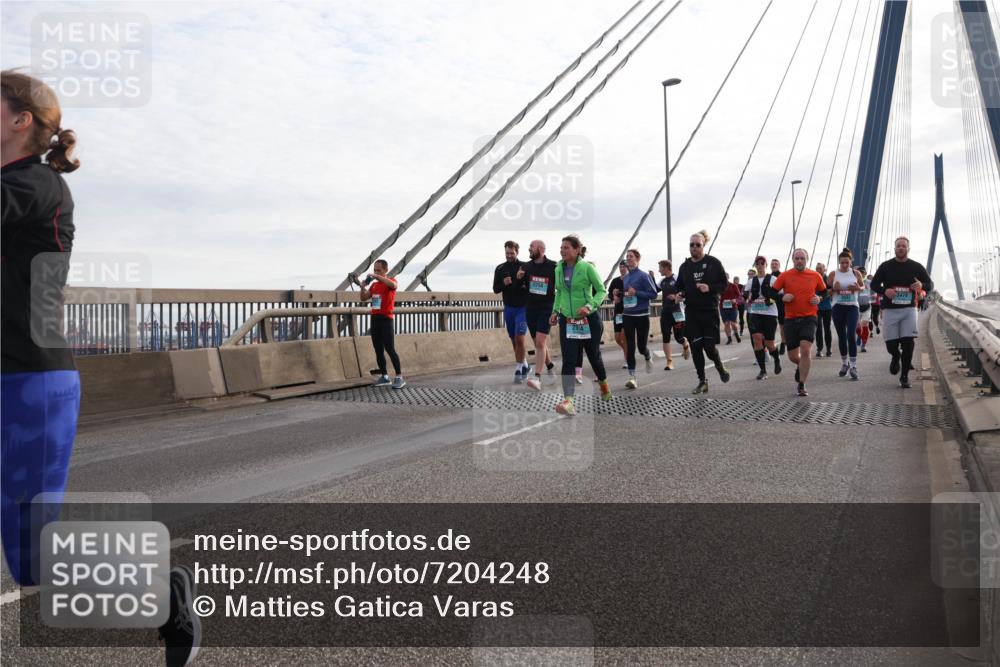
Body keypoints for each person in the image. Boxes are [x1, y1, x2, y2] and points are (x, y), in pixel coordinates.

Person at [1, 70, 200, 666]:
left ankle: (166, 596)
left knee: (35, 557)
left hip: (29, 382)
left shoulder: (35, 185)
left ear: (20, 121)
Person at [550, 236, 611, 415]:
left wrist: (589, 306)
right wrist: (555, 312)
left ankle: (604, 385)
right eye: (561, 247)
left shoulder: (587, 268)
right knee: (568, 359)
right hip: (568, 320)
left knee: (593, 356)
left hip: (588, 320)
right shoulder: (558, 269)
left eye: (566, 248)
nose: (562, 250)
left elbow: (602, 290)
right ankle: (569, 401)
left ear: (577, 250)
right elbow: (559, 292)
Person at [869, 236, 933, 389]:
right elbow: (874, 284)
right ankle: (895, 355)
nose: (901, 248)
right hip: (890, 310)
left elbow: (929, 284)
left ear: (908, 249)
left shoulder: (916, 267)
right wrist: (885, 290)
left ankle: (904, 376)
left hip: (909, 309)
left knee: (908, 342)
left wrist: (921, 285)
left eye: (903, 246)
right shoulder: (886, 266)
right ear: (894, 248)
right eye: (898, 246)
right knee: (891, 344)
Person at [672, 230, 730, 394]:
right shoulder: (685, 267)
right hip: (692, 312)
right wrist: (679, 295)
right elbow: (680, 286)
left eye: (698, 245)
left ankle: (719, 365)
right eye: (692, 245)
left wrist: (709, 288)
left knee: (709, 348)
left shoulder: (713, 263)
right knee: (696, 347)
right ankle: (702, 381)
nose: (695, 248)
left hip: (709, 311)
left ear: (703, 246)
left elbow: (724, 285)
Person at [772, 249, 827, 397]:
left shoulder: (815, 275)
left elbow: (824, 291)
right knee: (792, 356)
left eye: (802, 258)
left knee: (805, 348)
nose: (799, 261)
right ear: (792, 260)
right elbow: (770, 293)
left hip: (809, 317)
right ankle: (801, 365)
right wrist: (782, 297)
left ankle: (801, 384)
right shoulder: (785, 275)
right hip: (791, 319)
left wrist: (819, 298)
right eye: (797, 258)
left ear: (807, 259)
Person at [354, 259, 405, 389]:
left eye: (378, 270)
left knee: (390, 348)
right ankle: (385, 376)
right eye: (375, 270)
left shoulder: (391, 281)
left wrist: (377, 277)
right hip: (375, 318)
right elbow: (363, 298)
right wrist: (362, 287)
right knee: (378, 349)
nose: (376, 272)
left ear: (385, 270)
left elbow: (394, 286)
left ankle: (399, 377)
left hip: (386, 319)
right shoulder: (374, 286)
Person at [522, 240, 557, 391]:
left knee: (541, 343)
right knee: (538, 342)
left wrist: (557, 310)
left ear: (541, 249)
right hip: (531, 309)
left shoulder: (554, 266)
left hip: (546, 308)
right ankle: (550, 365)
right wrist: (518, 278)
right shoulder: (526, 267)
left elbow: (560, 288)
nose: (529, 249)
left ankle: (537, 377)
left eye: (532, 246)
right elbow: (520, 288)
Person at [492, 240, 528, 383]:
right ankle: (524, 364)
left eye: (512, 253)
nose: (509, 255)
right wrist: (504, 284)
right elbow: (495, 289)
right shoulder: (500, 268)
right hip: (509, 308)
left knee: (520, 338)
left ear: (517, 252)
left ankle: (518, 369)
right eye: (507, 253)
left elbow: (531, 285)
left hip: (523, 308)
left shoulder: (524, 266)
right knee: (514, 340)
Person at [621, 248, 657, 388]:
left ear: (637, 259)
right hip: (628, 315)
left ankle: (648, 355)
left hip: (642, 315)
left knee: (641, 347)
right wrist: (620, 295)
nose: (628, 259)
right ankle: (632, 377)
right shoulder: (626, 278)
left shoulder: (643, 276)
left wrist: (637, 292)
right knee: (630, 346)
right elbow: (628, 295)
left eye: (631, 256)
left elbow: (653, 294)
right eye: (627, 257)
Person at [828, 249, 865, 381]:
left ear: (850, 262)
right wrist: (834, 289)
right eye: (842, 263)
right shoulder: (833, 274)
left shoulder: (856, 273)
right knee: (842, 336)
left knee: (851, 335)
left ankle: (854, 367)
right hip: (838, 307)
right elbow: (826, 292)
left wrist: (857, 289)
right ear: (839, 262)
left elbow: (862, 287)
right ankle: (845, 364)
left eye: (847, 263)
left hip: (852, 307)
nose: (844, 265)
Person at [745, 256, 782, 380]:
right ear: (755, 266)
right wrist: (747, 298)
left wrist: (770, 300)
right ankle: (763, 370)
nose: (760, 266)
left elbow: (780, 295)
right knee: (756, 338)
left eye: (762, 263)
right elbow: (746, 295)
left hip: (770, 314)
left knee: (769, 343)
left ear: (766, 265)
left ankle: (776, 358)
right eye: (757, 264)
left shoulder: (773, 279)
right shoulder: (751, 281)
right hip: (755, 312)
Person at [658, 260, 689, 370]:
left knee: (678, 337)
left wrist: (676, 296)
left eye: (660, 268)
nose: (659, 270)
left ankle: (685, 343)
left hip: (677, 312)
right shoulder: (661, 281)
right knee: (665, 337)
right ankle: (669, 362)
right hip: (665, 312)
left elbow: (687, 291)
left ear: (666, 268)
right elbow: (653, 290)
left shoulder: (677, 278)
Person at [608, 260, 629, 368]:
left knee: (624, 336)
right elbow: (609, 293)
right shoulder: (615, 281)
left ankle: (627, 360)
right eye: (620, 267)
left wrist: (620, 294)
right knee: (617, 338)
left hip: (628, 311)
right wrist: (613, 297)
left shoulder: (631, 279)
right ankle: (628, 350)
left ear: (627, 267)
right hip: (618, 312)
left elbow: (633, 293)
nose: (622, 269)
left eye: (624, 266)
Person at [814, 262, 833, 358]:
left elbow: (831, 291)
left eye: (820, 268)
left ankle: (829, 349)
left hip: (827, 307)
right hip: (817, 308)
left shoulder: (828, 279)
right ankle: (819, 349)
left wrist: (828, 293)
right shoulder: (813, 278)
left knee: (827, 328)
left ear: (824, 269)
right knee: (818, 328)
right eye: (817, 268)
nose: (818, 270)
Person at [720, 273, 742, 344]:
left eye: (726, 276)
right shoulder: (719, 286)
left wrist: (735, 300)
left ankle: (736, 334)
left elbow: (739, 297)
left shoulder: (733, 286)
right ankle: (729, 338)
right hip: (723, 307)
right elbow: (716, 295)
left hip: (733, 307)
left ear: (728, 277)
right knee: (726, 324)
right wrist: (718, 298)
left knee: (733, 323)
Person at [771, 258, 787, 354]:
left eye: (776, 264)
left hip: (780, 303)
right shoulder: (767, 277)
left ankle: (783, 344)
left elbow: (784, 290)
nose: (774, 265)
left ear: (779, 266)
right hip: (769, 304)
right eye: (772, 264)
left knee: (782, 326)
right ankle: (771, 345)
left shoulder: (783, 276)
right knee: (770, 326)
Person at [856, 267, 872, 353]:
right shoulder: (854, 282)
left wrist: (874, 295)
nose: (861, 274)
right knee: (857, 327)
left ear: (865, 274)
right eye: (859, 273)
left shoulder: (869, 282)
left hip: (867, 307)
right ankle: (859, 336)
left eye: (863, 273)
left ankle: (863, 345)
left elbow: (875, 289)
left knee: (864, 324)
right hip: (856, 307)